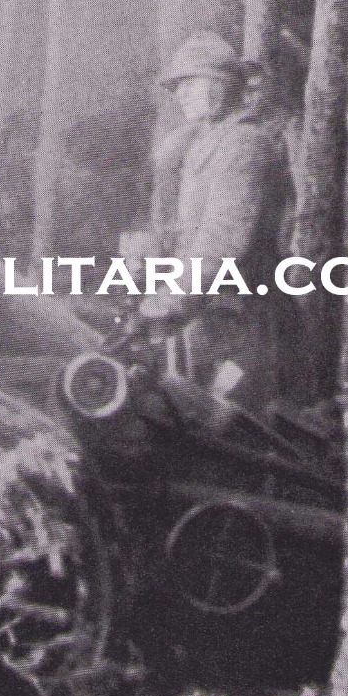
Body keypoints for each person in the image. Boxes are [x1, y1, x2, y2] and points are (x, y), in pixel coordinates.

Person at [139, 31, 293, 412]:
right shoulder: (207, 143)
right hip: (212, 316)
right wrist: (154, 253)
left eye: (190, 83)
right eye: (176, 87)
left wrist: (172, 298)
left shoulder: (244, 145)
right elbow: (190, 230)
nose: (180, 94)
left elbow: (223, 239)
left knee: (230, 425)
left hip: (243, 321)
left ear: (221, 85)